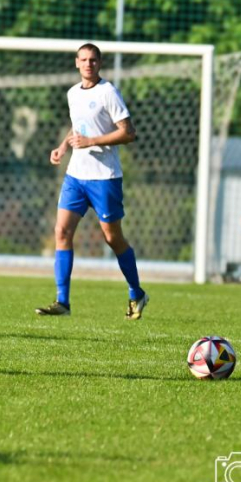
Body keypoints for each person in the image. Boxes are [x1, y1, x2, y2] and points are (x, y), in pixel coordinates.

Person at [36, 43, 149, 320]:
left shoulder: (108, 92)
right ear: (76, 63)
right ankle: (63, 301)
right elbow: (79, 126)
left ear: (100, 63)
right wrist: (63, 147)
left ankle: (137, 292)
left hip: (104, 178)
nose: (88, 64)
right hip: (76, 175)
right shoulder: (72, 93)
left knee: (112, 238)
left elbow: (129, 132)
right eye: (84, 60)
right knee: (61, 231)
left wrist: (92, 142)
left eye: (93, 60)